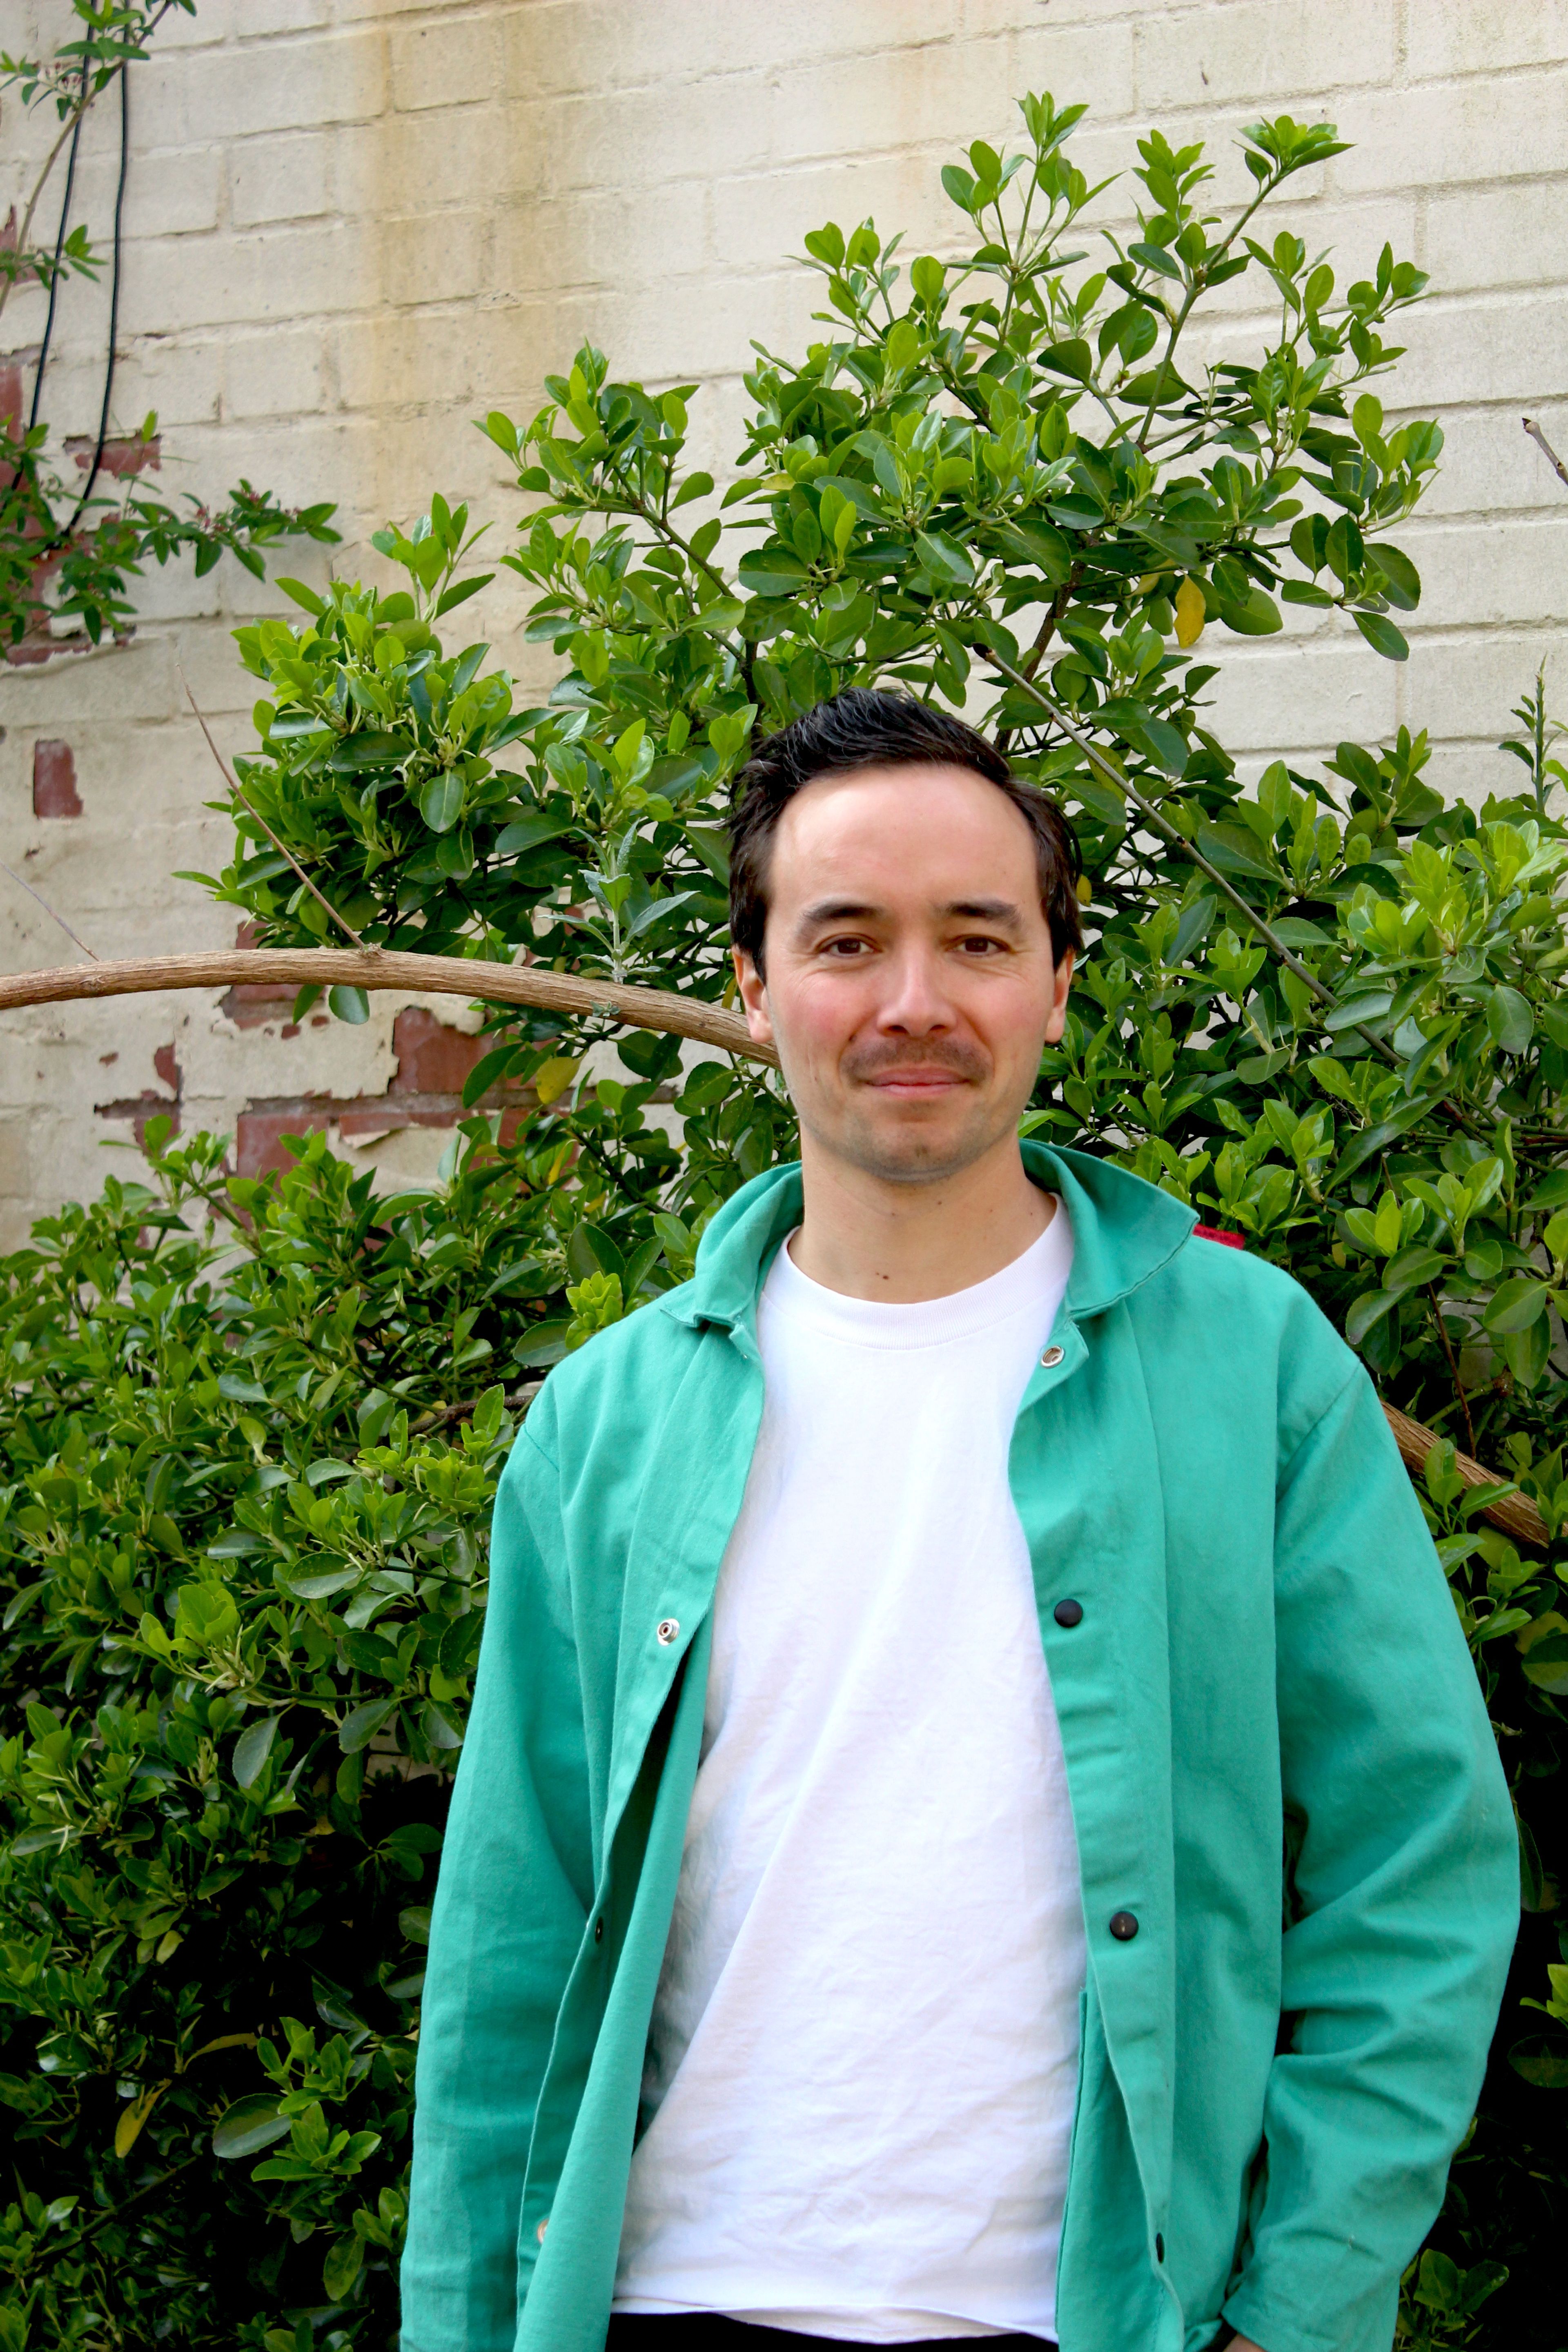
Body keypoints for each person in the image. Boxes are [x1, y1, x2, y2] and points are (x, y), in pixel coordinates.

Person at [400, 689, 1518, 2352]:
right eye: (847, 941)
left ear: (1057, 986)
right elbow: (514, 1931)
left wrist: (1300, 2309)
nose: (914, 1003)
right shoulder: (610, 1422)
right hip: (667, 2298)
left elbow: (1415, 1861)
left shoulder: (1251, 1367)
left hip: (1097, 2315)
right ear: (755, 987)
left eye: (977, 940)